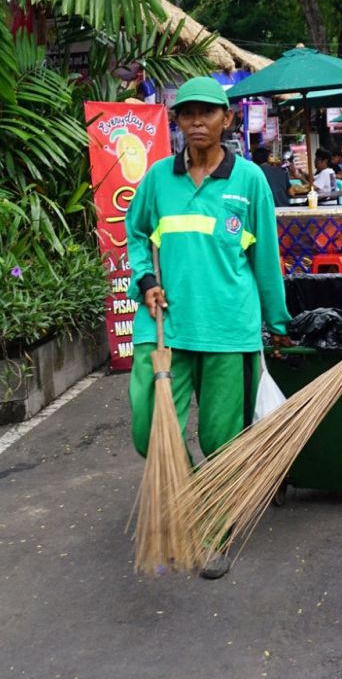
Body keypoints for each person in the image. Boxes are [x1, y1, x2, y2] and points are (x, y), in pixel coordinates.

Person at [125, 76, 292, 579]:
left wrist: (277, 321)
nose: (197, 122)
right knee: (149, 433)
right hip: (163, 328)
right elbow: (134, 234)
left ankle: (213, 528)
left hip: (229, 331)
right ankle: (197, 498)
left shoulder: (249, 180)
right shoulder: (158, 178)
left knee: (224, 440)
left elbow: (266, 258)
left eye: (207, 113)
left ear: (227, 119)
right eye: (187, 114)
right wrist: (145, 278)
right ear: (177, 122)